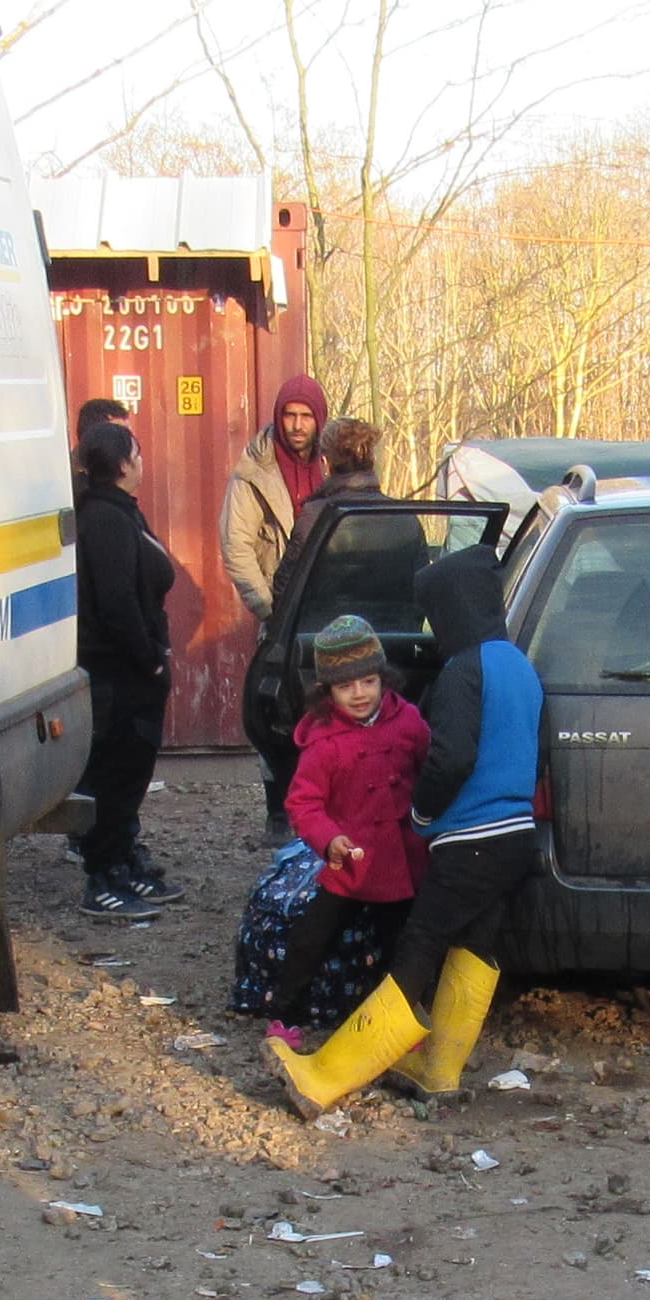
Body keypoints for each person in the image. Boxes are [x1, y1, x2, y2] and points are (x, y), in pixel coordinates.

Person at [271, 543, 536, 1114]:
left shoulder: (466, 669)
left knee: (417, 945)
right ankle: (438, 1070)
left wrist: (422, 815)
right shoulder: (520, 664)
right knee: (475, 945)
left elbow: (451, 759)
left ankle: (323, 1078)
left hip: (471, 838)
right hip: (518, 835)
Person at [261, 615, 427, 1051]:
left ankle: (401, 1022)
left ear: (383, 679)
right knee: (311, 939)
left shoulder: (408, 722)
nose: (359, 694)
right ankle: (285, 1015)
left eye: (368, 681)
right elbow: (304, 803)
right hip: (350, 861)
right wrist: (328, 839)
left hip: (402, 860)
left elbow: (432, 773)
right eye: (345, 686)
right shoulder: (323, 740)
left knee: (403, 947)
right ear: (327, 691)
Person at [70, 416, 179, 917]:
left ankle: (122, 862)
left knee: (130, 772)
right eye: (136, 454)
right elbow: (116, 603)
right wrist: (149, 659)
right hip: (119, 674)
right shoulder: (105, 521)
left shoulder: (120, 512)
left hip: (133, 671)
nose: (142, 463)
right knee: (114, 774)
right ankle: (103, 875)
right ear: (120, 465)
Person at [220, 372, 329, 623]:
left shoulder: (334, 463)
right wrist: (269, 610)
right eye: (290, 415)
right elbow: (235, 544)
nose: (297, 425)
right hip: (282, 610)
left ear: (319, 418)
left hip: (332, 607)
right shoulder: (254, 470)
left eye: (307, 416)